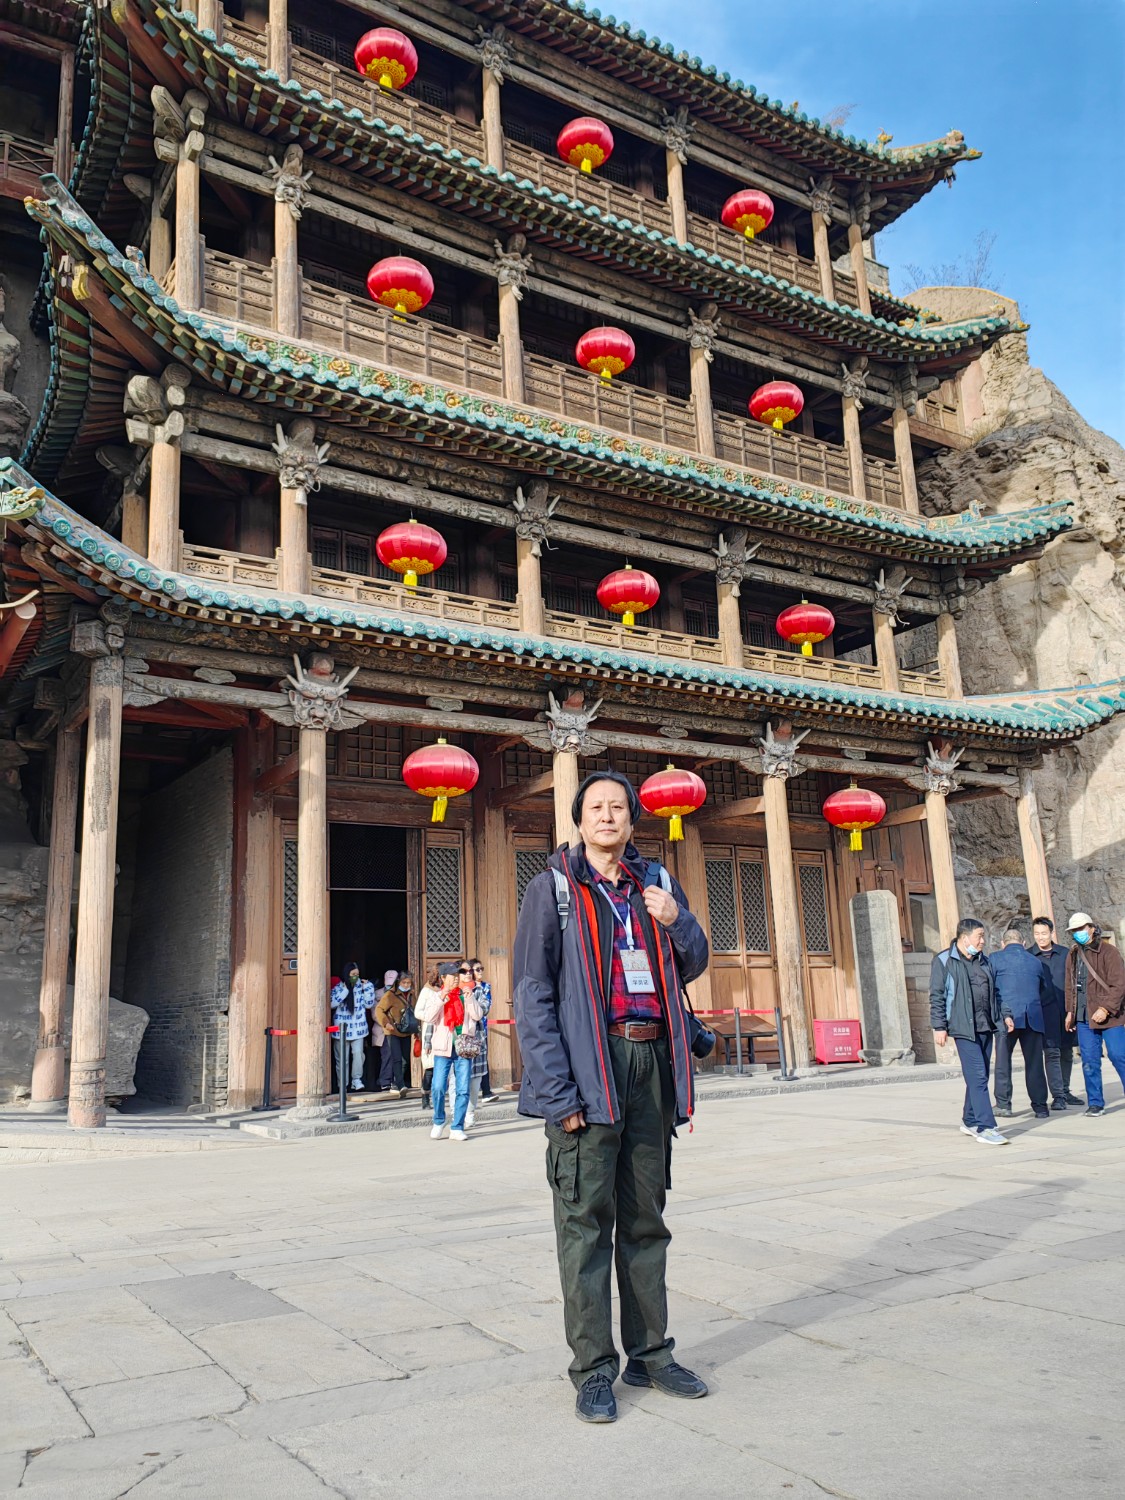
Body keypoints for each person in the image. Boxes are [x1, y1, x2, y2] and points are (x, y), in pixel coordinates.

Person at [513, 770, 710, 1425]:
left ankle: (650, 1354)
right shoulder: (553, 891)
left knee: (646, 1221)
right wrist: (556, 1092)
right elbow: (532, 996)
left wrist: (677, 920)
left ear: (631, 820)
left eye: (617, 807)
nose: (607, 816)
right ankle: (594, 1368)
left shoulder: (657, 884)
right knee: (585, 1226)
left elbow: (694, 961)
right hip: (590, 1069)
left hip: (650, 1062)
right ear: (579, 819)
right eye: (595, 807)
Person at [930, 918, 1007, 1146]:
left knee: (979, 1076)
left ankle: (969, 1119)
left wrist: (1005, 1015)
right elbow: (937, 995)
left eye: (983, 936)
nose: (983, 941)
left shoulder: (985, 961)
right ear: (964, 938)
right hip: (963, 1027)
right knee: (978, 1076)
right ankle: (986, 1127)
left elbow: (996, 992)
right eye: (979, 936)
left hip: (985, 1025)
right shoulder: (944, 960)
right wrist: (939, 1026)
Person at [1064, 911, 1125, 1117]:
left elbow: (1119, 985)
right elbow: (1069, 986)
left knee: (1119, 1055)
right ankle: (1096, 1103)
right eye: (1074, 930)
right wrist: (1070, 1012)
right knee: (1089, 1061)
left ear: (1091, 928)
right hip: (1083, 1015)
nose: (1078, 932)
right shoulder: (1073, 954)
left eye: (1081, 928)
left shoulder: (1109, 952)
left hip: (1111, 1016)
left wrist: (1105, 1008)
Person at [416, 960, 483, 1140]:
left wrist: (470, 998)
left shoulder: (466, 994)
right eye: (452, 976)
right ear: (443, 977)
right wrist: (441, 998)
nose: (456, 978)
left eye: (457, 975)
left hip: (463, 1048)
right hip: (443, 1048)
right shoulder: (436, 995)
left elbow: (477, 1015)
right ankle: (439, 1120)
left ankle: (457, 1127)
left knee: (462, 1088)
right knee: (438, 1086)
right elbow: (428, 1017)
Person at [990, 928, 1050, 1119]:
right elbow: (1043, 988)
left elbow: (990, 988)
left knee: (1003, 1062)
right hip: (1033, 1017)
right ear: (1024, 943)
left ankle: (1003, 1104)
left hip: (1006, 1017)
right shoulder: (1035, 961)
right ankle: (1040, 1107)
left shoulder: (994, 959)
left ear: (1003, 943)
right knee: (1034, 1063)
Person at [1028, 917, 1083, 1109]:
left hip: (1066, 1012)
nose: (1040, 937)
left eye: (1044, 933)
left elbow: (1074, 983)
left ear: (1052, 933)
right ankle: (1058, 1096)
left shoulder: (1066, 954)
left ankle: (1065, 1091)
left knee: (1067, 1052)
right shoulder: (1029, 956)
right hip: (1044, 1014)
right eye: (1036, 934)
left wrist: (1073, 1011)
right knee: (1051, 1053)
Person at [329, 963, 375, 1092]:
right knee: (342, 1058)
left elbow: (369, 1004)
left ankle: (356, 1080)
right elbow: (332, 1003)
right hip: (341, 1030)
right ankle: (343, 1084)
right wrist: (345, 990)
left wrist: (368, 987)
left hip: (358, 1029)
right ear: (347, 974)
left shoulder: (362, 987)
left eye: (357, 974)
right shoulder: (339, 987)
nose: (355, 977)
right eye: (353, 974)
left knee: (358, 1054)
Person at [461, 959, 493, 1123]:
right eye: (464, 971)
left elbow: (482, 1011)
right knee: (458, 1080)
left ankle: (470, 1113)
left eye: (469, 971)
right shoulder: (451, 992)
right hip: (456, 1040)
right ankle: (457, 1114)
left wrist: (471, 997)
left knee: (475, 1081)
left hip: (476, 1038)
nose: (468, 974)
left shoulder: (480, 990)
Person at [374, 971, 414, 1099]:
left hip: (406, 1030)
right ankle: (399, 1085)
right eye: (404, 982)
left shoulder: (412, 995)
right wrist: (386, 1023)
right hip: (392, 1030)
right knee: (396, 1058)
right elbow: (379, 1010)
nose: (406, 985)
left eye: (408, 983)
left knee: (405, 1059)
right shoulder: (390, 995)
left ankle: (397, 1082)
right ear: (398, 982)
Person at [471, 959, 498, 1103]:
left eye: (481, 968)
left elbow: (486, 1006)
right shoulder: (466, 987)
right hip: (468, 1030)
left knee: (482, 1059)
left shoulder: (485, 987)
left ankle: (486, 1091)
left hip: (481, 1028)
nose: (480, 971)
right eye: (477, 969)